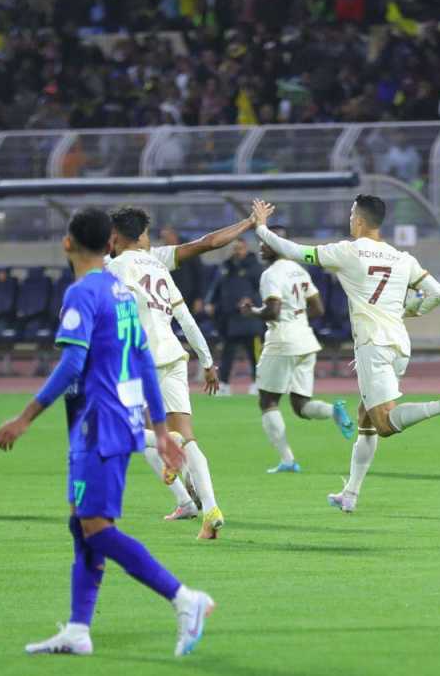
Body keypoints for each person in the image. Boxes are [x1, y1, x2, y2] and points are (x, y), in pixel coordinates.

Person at [0, 207, 214, 657]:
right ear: (107, 242)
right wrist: (160, 429)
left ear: (67, 243)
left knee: (96, 527)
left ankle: (184, 599)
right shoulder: (120, 292)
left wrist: (24, 417)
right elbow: (143, 362)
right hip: (112, 420)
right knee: (82, 524)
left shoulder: (84, 292)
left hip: (99, 423)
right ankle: (78, 629)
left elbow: (72, 363)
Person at [251, 196, 440, 512]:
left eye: (352, 213)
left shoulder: (348, 251)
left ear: (360, 220)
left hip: (373, 345)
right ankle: (350, 495)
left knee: (382, 423)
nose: (350, 218)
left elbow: (295, 252)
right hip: (398, 343)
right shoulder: (402, 258)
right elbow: (437, 293)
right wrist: (409, 310)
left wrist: (261, 228)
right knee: (365, 419)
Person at [106, 206, 225, 539]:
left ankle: (165, 444)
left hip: (139, 359)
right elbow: (185, 319)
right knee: (189, 438)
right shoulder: (156, 265)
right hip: (174, 356)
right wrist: (206, 361)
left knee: (123, 431)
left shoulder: (114, 267)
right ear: (140, 235)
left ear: (115, 236)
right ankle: (209, 509)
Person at [238, 227, 356, 473]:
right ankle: (333, 410)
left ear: (278, 246)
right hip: (306, 340)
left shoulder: (271, 274)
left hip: (282, 341)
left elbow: (273, 310)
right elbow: (318, 308)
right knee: (301, 405)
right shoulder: (299, 270)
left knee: (268, 401)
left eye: (266, 243)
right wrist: (296, 316)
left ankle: (288, 460)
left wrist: (253, 312)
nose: (261, 247)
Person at [205, 238, 262, 395]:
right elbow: (216, 286)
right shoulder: (226, 266)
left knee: (255, 354)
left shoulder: (256, 267)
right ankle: (223, 384)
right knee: (227, 354)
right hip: (230, 318)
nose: (237, 251)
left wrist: (252, 300)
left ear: (246, 249)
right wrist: (210, 302)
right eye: (235, 248)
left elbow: (263, 290)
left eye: (240, 248)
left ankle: (258, 383)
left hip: (251, 318)